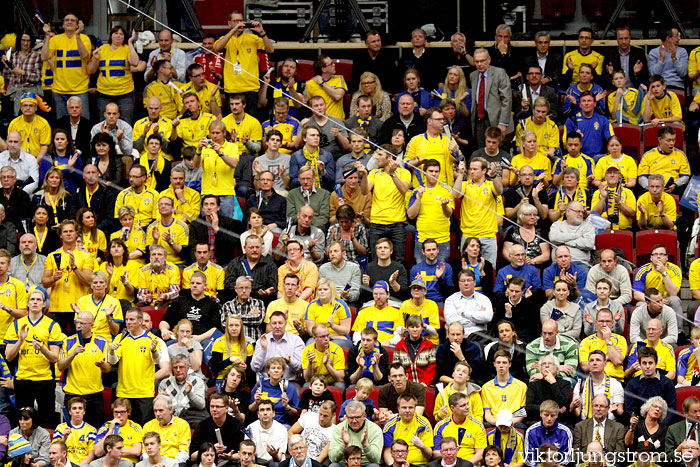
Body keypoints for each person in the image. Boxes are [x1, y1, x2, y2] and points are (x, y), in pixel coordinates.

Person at [5, 289, 60, 424]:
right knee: (23, 421)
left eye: (38, 300)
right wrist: (20, 341)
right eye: (32, 299)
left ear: (43, 305)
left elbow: (55, 358)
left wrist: (42, 349)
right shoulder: (17, 325)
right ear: (28, 304)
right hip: (23, 379)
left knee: (46, 421)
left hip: (45, 380)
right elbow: (8, 356)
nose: (35, 302)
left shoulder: (52, 325)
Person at [106, 308, 163, 424]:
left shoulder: (152, 339)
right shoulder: (121, 338)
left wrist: (153, 350)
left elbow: (157, 360)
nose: (128, 322)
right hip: (123, 392)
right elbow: (113, 361)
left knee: (143, 429)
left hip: (144, 393)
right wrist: (111, 351)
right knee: (122, 428)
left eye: (132, 319)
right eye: (126, 319)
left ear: (141, 321)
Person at [58, 311, 111, 427]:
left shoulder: (102, 342)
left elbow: (107, 369)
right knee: (71, 430)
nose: (78, 326)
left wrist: (102, 365)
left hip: (94, 395)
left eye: (83, 324)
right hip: (73, 394)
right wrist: (72, 354)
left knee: (94, 430)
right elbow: (60, 366)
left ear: (91, 325)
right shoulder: (68, 342)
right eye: (77, 323)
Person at [214, 12, 273, 116]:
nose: (239, 23)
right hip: (232, 88)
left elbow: (270, 49)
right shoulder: (226, 38)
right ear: (229, 23)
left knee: (250, 121)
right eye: (236, 21)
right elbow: (218, 47)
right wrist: (233, 30)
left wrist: (262, 32)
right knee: (232, 121)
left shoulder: (252, 38)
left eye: (241, 21)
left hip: (250, 87)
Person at [40, 14, 91, 118]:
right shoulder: (56, 39)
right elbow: (44, 57)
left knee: (83, 122)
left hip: (80, 89)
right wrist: (46, 36)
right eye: (67, 20)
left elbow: (85, 56)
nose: (69, 22)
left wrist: (77, 35)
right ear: (63, 25)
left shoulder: (84, 38)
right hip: (59, 89)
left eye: (73, 20)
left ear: (77, 25)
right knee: (61, 124)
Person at [88, 27, 139, 123]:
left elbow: (135, 62)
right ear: (111, 35)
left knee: (125, 123)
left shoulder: (127, 49)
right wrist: (95, 59)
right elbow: (90, 71)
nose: (118, 36)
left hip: (125, 93)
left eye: (121, 34)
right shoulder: (102, 49)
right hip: (104, 94)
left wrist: (130, 42)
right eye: (115, 33)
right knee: (104, 123)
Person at [406, 160, 454, 263]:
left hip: (442, 239)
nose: (433, 174)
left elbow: (448, 214)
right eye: (431, 171)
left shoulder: (446, 191)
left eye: (436, 171)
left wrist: (444, 206)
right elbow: (411, 215)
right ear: (424, 172)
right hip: (422, 239)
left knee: (442, 274)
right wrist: (419, 198)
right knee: (422, 274)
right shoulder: (416, 192)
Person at [469, 48, 514, 148]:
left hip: (497, 119)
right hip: (479, 120)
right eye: (477, 61)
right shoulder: (473, 76)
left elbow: (506, 99)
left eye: (482, 61)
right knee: (481, 151)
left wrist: (503, 123)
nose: (479, 64)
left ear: (489, 59)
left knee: (498, 150)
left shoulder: (499, 73)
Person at [625, 347, 677, 426]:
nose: (647, 366)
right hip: (640, 426)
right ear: (640, 364)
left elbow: (671, 409)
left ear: (656, 364)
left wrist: (660, 426)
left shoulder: (667, 383)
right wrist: (643, 427)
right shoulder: (632, 384)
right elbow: (630, 410)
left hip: (662, 426)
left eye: (650, 363)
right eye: (644, 363)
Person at [190, 195, 243, 267]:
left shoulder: (229, 223)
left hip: (223, 263)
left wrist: (217, 230)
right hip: (202, 263)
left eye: (212, 204)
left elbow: (231, 246)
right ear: (202, 208)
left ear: (218, 208)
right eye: (206, 204)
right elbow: (192, 248)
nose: (209, 207)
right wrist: (197, 265)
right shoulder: (196, 224)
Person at [251, 310, 304, 381]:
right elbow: (255, 368)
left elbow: (301, 368)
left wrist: (289, 362)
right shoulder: (263, 340)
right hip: (267, 382)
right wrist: (263, 350)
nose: (277, 326)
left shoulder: (296, 340)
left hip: (289, 382)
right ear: (270, 324)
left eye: (280, 323)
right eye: (274, 323)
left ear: (285, 324)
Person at [381, 394, 433, 466]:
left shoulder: (423, 423)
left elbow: (429, 455)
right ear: (398, 408)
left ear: (415, 408)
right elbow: (387, 452)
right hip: (397, 464)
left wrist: (422, 447)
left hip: (419, 464)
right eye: (404, 407)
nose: (407, 410)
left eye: (410, 407)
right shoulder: (390, 424)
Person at [433, 393, 486, 462]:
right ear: (452, 408)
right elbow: (435, 453)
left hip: (470, 463)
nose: (467, 407)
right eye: (463, 405)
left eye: (467, 404)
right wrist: (451, 453)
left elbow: (480, 453)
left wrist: (466, 465)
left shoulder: (477, 424)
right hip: (448, 463)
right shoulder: (440, 426)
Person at [328, 400, 382, 467]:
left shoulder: (375, 429)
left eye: (357, 417)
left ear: (364, 416)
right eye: (351, 418)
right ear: (346, 417)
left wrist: (365, 445)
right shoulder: (339, 429)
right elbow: (333, 458)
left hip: (365, 464)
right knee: (334, 466)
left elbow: (376, 459)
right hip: (345, 464)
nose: (354, 421)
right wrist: (344, 445)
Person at [157, 355, 207, 427]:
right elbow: (158, 406)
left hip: (190, 416)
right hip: (170, 417)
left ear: (188, 368)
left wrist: (189, 393)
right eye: (175, 367)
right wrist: (161, 398)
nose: (178, 370)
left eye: (181, 367)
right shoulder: (165, 383)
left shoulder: (197, 381)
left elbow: (201, 405)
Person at [563, 92, 614, 159]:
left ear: (595, 103)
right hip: (577, 157)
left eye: (589, 101)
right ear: (580, 104)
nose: (586, 103)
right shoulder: (571, 120)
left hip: (597, 157)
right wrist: (575, 138)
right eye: (583, 101)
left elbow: (612, 141)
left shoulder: (603, 120)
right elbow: (564, 145)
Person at [482, 350, 527, 427]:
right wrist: (497, 422)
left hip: (513, 422)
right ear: (494, 364)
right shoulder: (486, 387)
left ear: (510, 364)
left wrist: (508, 423)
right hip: (495, 422)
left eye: (504, 362)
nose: (501, 365)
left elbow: (522, 413)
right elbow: (487, 413)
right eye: (498, 362)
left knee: (521, 426)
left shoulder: (521, 386)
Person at [444, 268, 493, 338]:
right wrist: (477, 318)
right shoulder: (450, 300)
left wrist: (464, 314)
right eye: (463, 280)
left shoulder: (484, 299)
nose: (466, 283)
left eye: (469, 280)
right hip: (457, 337)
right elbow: (451, 320)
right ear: (459, 283)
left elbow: (487, 317)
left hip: (479, 337)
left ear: (474, 282)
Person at [142, 396, 191, 465]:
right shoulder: (148, 426)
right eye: (155, 411)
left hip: (175, 463)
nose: (157, 414)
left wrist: (169, 464)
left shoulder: (182, 425)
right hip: (153, 463)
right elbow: (144, 453)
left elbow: (184, 452)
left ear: (170, 410)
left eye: (160, 410)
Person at [638, 127, 690, 192]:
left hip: (674, 189)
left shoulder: (680, 155)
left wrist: (675, 184)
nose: (672, 143)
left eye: (673, 140)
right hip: (652, 190)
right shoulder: (648, 155)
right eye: (668, 140)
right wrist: (651, 187)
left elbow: (685, 177)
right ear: (660, 139)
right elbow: (641, 177)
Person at [523, 400, 573, 466]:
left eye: (552, 415)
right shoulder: (531, 431)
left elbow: (566, 458)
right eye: (546, 415)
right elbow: (529, 458)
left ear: (557, 415)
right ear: (540, 414)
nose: (549, 418)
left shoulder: (565, 432)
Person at [93, 399, 143, 463]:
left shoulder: (135, 427)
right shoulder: (106, 426)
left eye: (122, 412)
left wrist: (112, 452)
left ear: (128, 412)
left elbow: (136, 451)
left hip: (127, 462)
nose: (119, 415)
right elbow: (97, 452)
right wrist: (110, 430)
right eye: (116, 412)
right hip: (108, 463)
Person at [392, 314, 436, 385]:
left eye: (417, 327)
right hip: (405, 385)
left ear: (422, 328)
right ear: (407, 328)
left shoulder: (429, 345)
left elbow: (432, 368)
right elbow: (396, 368)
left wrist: (423, 384)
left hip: (425, 385)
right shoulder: (399, 345)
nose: (415, 329)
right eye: (412, 327)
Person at [361, 238, 408, 304]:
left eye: (385, 248)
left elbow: (404, 293)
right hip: (373, 303)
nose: (382, 250)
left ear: (391, 251)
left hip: (394, 303)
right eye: (380, 248)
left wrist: (393, 282)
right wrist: (366, 285)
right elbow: (362, 297)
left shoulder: (399, 268)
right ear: (376, 251)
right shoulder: (368, 268)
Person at [53, 397, 97, 465]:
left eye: (80, 408)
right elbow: (54, 451)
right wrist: (64, 438)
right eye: (74, 408)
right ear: (70, 411)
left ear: (84, 411)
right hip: (63, 464)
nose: (77, 411)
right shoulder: (60, 428)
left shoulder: (91, 430)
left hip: (83, 465)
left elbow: (91, 455)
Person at [524, 356, 571, 420]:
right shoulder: (533, 385)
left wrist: (553, 383)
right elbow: (529, 407)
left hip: (560, 421)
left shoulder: (566, 384)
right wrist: (554, 410)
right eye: (543, 364)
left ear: (557, 368)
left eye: (550, 363)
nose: (547, 366)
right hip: (537, 421)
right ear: (540, 369)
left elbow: (563, 404)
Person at [114, 165, 158, 230]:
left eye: (135, 177)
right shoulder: (123, 194)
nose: (131, 179)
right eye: (130, 176)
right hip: (127, 230)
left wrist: (144, 230)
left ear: (144, 178)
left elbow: (156, 219)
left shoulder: (154, 195)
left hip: (148, 230)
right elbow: (117, 218)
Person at [287, 166, 331, 230]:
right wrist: (303, 224)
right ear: (298, 179)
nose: (305, 182)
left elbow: (323, 218)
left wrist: (306, 223)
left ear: (314, 179)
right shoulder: (292, 194)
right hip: (297, 229)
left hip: (317, 229)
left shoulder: (324, 194)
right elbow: (291, 217)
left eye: (308, 179)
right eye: (302, 179)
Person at [8, 93, 51, 159]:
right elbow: (11, 145)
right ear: (21, 107)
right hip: (19, 158)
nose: (27, 108)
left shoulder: (43, 123)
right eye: (25, 105)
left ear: (36, 108)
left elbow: (44, 146)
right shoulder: (14, 123)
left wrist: (35, 163)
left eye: (31, 106)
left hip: (38, 158)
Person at [302, 323, 346, 388]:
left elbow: (340, 378)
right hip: (315, 382)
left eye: (328, 335)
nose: (326, 339)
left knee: (340, 385)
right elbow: (307, 379)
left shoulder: (337, 350)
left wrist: (326, 364)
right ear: (314, 338)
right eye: (322, 336)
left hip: (332, 382)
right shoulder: (307, 351)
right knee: (306, 386)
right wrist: (310, 363)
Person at [399, 278, 440, 345]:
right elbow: (398, 328)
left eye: (419, 288)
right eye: (414, 288)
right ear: (411, 292)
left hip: (429, 341)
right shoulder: (405, 305)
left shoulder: (432, 305)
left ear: (425, 292)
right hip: (409, 342)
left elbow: (434, 331)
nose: (416, 290)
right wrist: (402, 329)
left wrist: (425, 326)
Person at [246, 400, 288, 465]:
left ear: (273, 413)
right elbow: (248, 452)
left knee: (275, 464)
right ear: (258, 414)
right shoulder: (250, 428)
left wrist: (274, 455)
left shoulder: (282, 429)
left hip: (274, 460)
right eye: (262, 410)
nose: (265, 413)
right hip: (256, 460)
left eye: (268, 409)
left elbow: (279, 458)